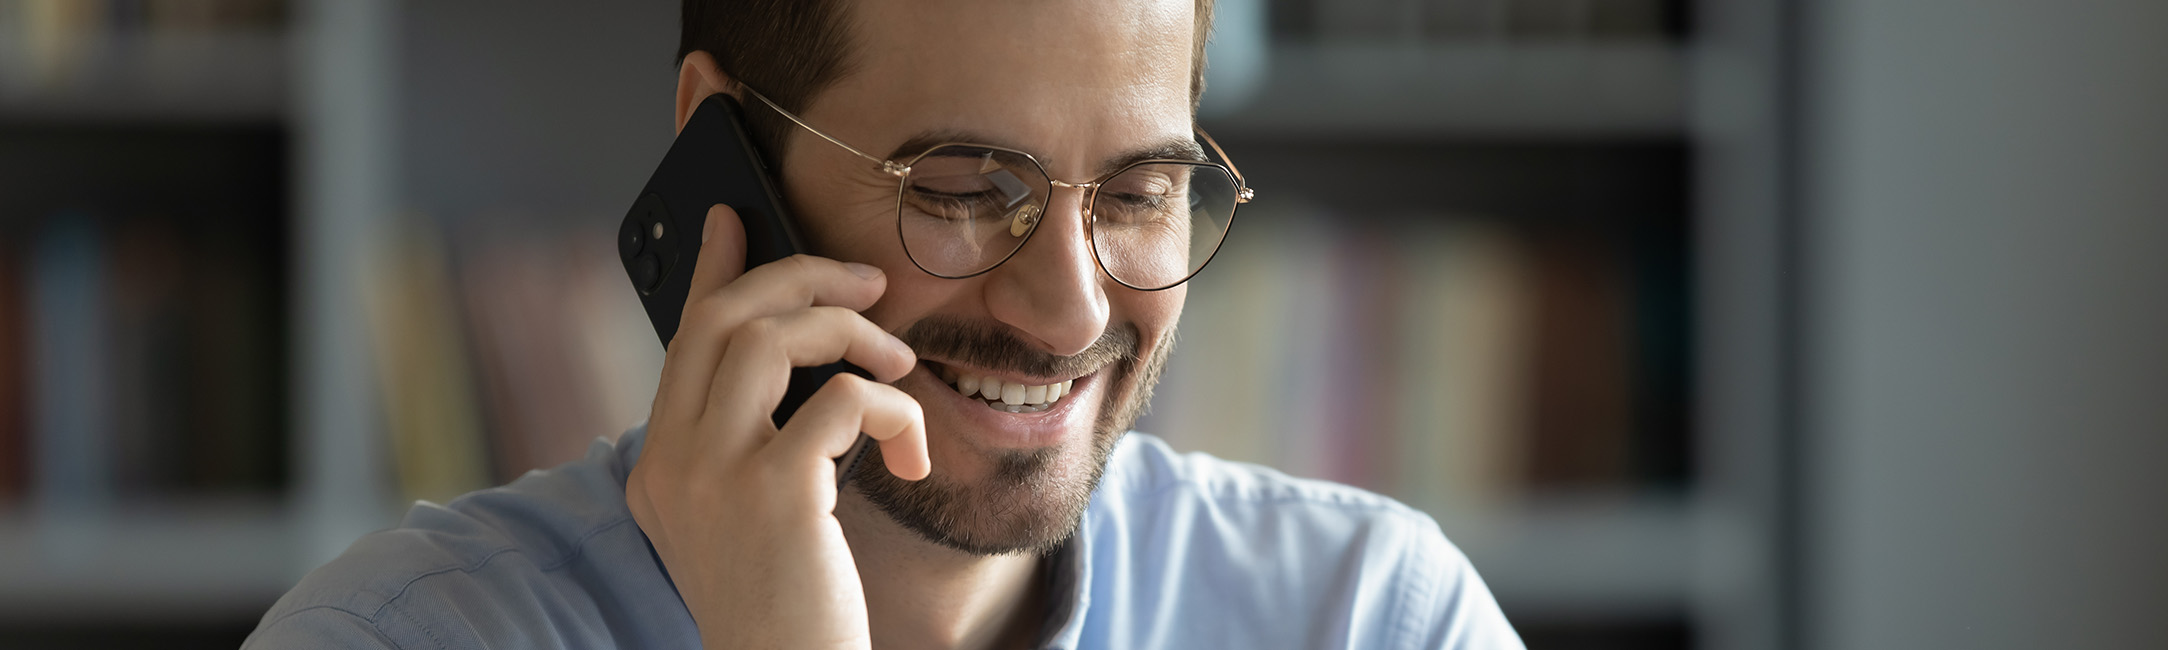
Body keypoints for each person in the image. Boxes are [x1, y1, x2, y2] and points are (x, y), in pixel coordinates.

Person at [246, 0, 1521, 647]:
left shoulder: (1367, 619)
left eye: (1140, 194)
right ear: (722, 148)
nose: (1074, 306)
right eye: (964, 193)